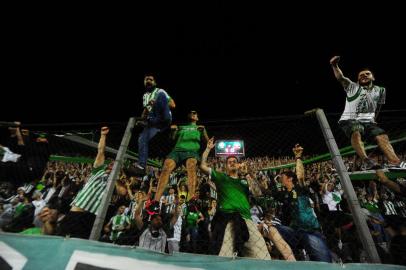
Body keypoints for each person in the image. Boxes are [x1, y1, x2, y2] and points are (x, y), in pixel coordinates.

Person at [200, 137, 271, 259]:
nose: (232, 162)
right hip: (228, 220)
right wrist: (207, 149)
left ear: (238, 165)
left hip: (247, 220)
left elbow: (258, 193)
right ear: (226, 167)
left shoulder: (244, 181)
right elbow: (202, 166)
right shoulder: (221, 178)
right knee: (224, 256)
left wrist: (248, 173)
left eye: (234, 161)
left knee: (263, 256)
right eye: (229, 162)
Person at [330, 56, 405, 170]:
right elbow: (341, 77)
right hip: (349, 119)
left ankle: (396, 162)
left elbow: (378, 106)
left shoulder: (381, 90)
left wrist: (374, 118)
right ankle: (366, 161)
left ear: (373, 77)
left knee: (382, 136)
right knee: (356, 129)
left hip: (368, 122)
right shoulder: (352, 87)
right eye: (361, 75)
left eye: (367, 74)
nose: (363, 76)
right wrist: (334, 66)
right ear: (357, 80)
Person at [273, 144, 332, 262]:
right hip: (294, 232)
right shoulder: (283, 194)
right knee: (271, 227)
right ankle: (294, 258)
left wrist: (298, 158)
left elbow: (300, 176)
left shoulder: (300, 189)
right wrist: (246, 175)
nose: (280, 179)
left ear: (289, 179)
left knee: (323, 264)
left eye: (282, 177)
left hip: (309, 230)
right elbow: (261, 192)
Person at [56, 127, 114, 239]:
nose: (112, 166)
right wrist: (103, 136)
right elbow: (101, 151)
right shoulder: (98, 170)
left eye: (115, 165)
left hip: (92, 217)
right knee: (62, 237)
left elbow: (123, 192)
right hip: (78, 211)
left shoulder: (116, 182)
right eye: (111, 164)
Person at [126, 74, 176, 177]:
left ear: (155, 83)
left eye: (151, 79)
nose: (148, 81)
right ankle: (141, 166)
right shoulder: (144, 96)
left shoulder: (160, 91)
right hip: (154, 123)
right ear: (144, 83)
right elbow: (145, 110)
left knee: (160, 97)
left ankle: (150, 121)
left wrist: (156, 103)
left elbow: (173, 104)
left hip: (163, 117)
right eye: (146, 79)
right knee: (141, 139)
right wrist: (141, 118)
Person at [154, 110, 209, 201]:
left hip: (192, 151)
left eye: (195, 113)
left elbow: (208, 142)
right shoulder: (180, 127)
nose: (193, 114)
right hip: (177, 151)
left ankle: (191, 199)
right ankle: (155, 201)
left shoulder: (200, 128)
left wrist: (204, 132)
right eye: (192, 113)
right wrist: (173, 131)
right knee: (166, 167)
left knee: (191, 166)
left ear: (197, 118)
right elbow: (172, 139)